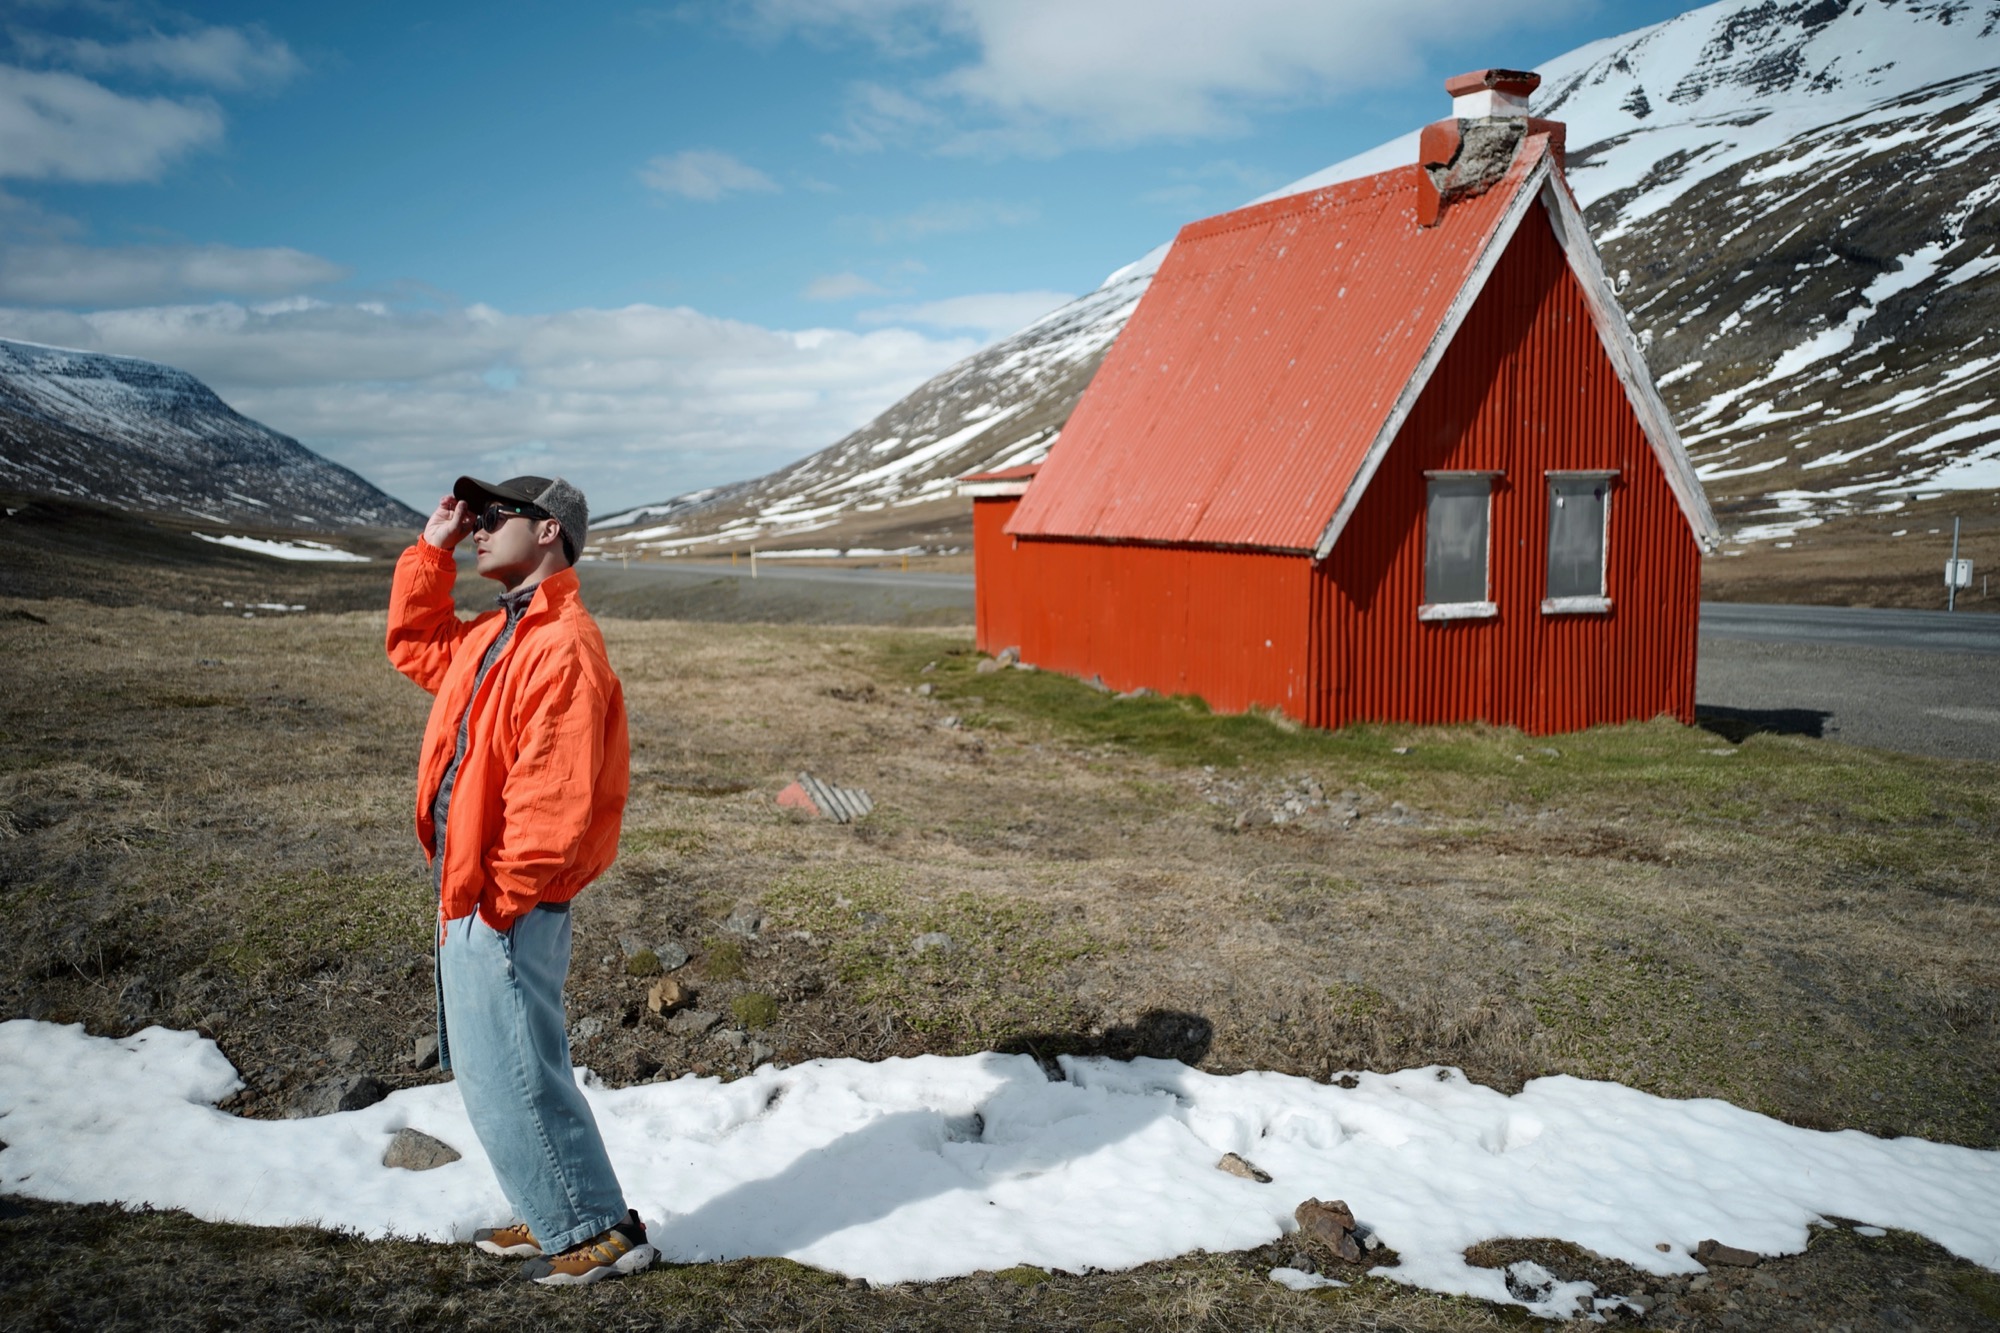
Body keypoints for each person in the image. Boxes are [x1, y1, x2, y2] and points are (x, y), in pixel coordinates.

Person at [385, 474, 655, 1286]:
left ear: (548, 531)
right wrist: (430, 549)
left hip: (503, 899)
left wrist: (501, 899)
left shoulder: (562, 643)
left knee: (515, 1070)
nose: (480, 525)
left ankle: (597, 1227)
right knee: (498, 1067)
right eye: (477, 515)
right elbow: (417, 645)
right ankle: (552, 1211)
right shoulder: (498, 633)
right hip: (474, 891)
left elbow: (553, 794)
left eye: (497, 514)